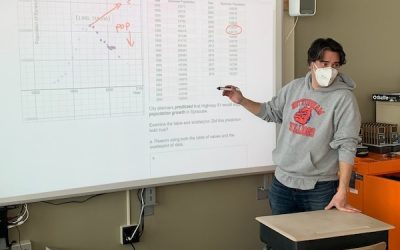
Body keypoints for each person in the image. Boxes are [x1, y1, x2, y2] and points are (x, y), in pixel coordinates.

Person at [222, 38, 361, 215]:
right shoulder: (294, 88)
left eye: (335, 65)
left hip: (320, 187)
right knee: (281, 240)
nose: (330, 70)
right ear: (311, 64)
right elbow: (269, 112)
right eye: (324, 63)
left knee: (317, 240)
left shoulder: (344, 98)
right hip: (282, 183)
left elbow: (347, 145)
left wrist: (342, 191)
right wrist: (241, 100)